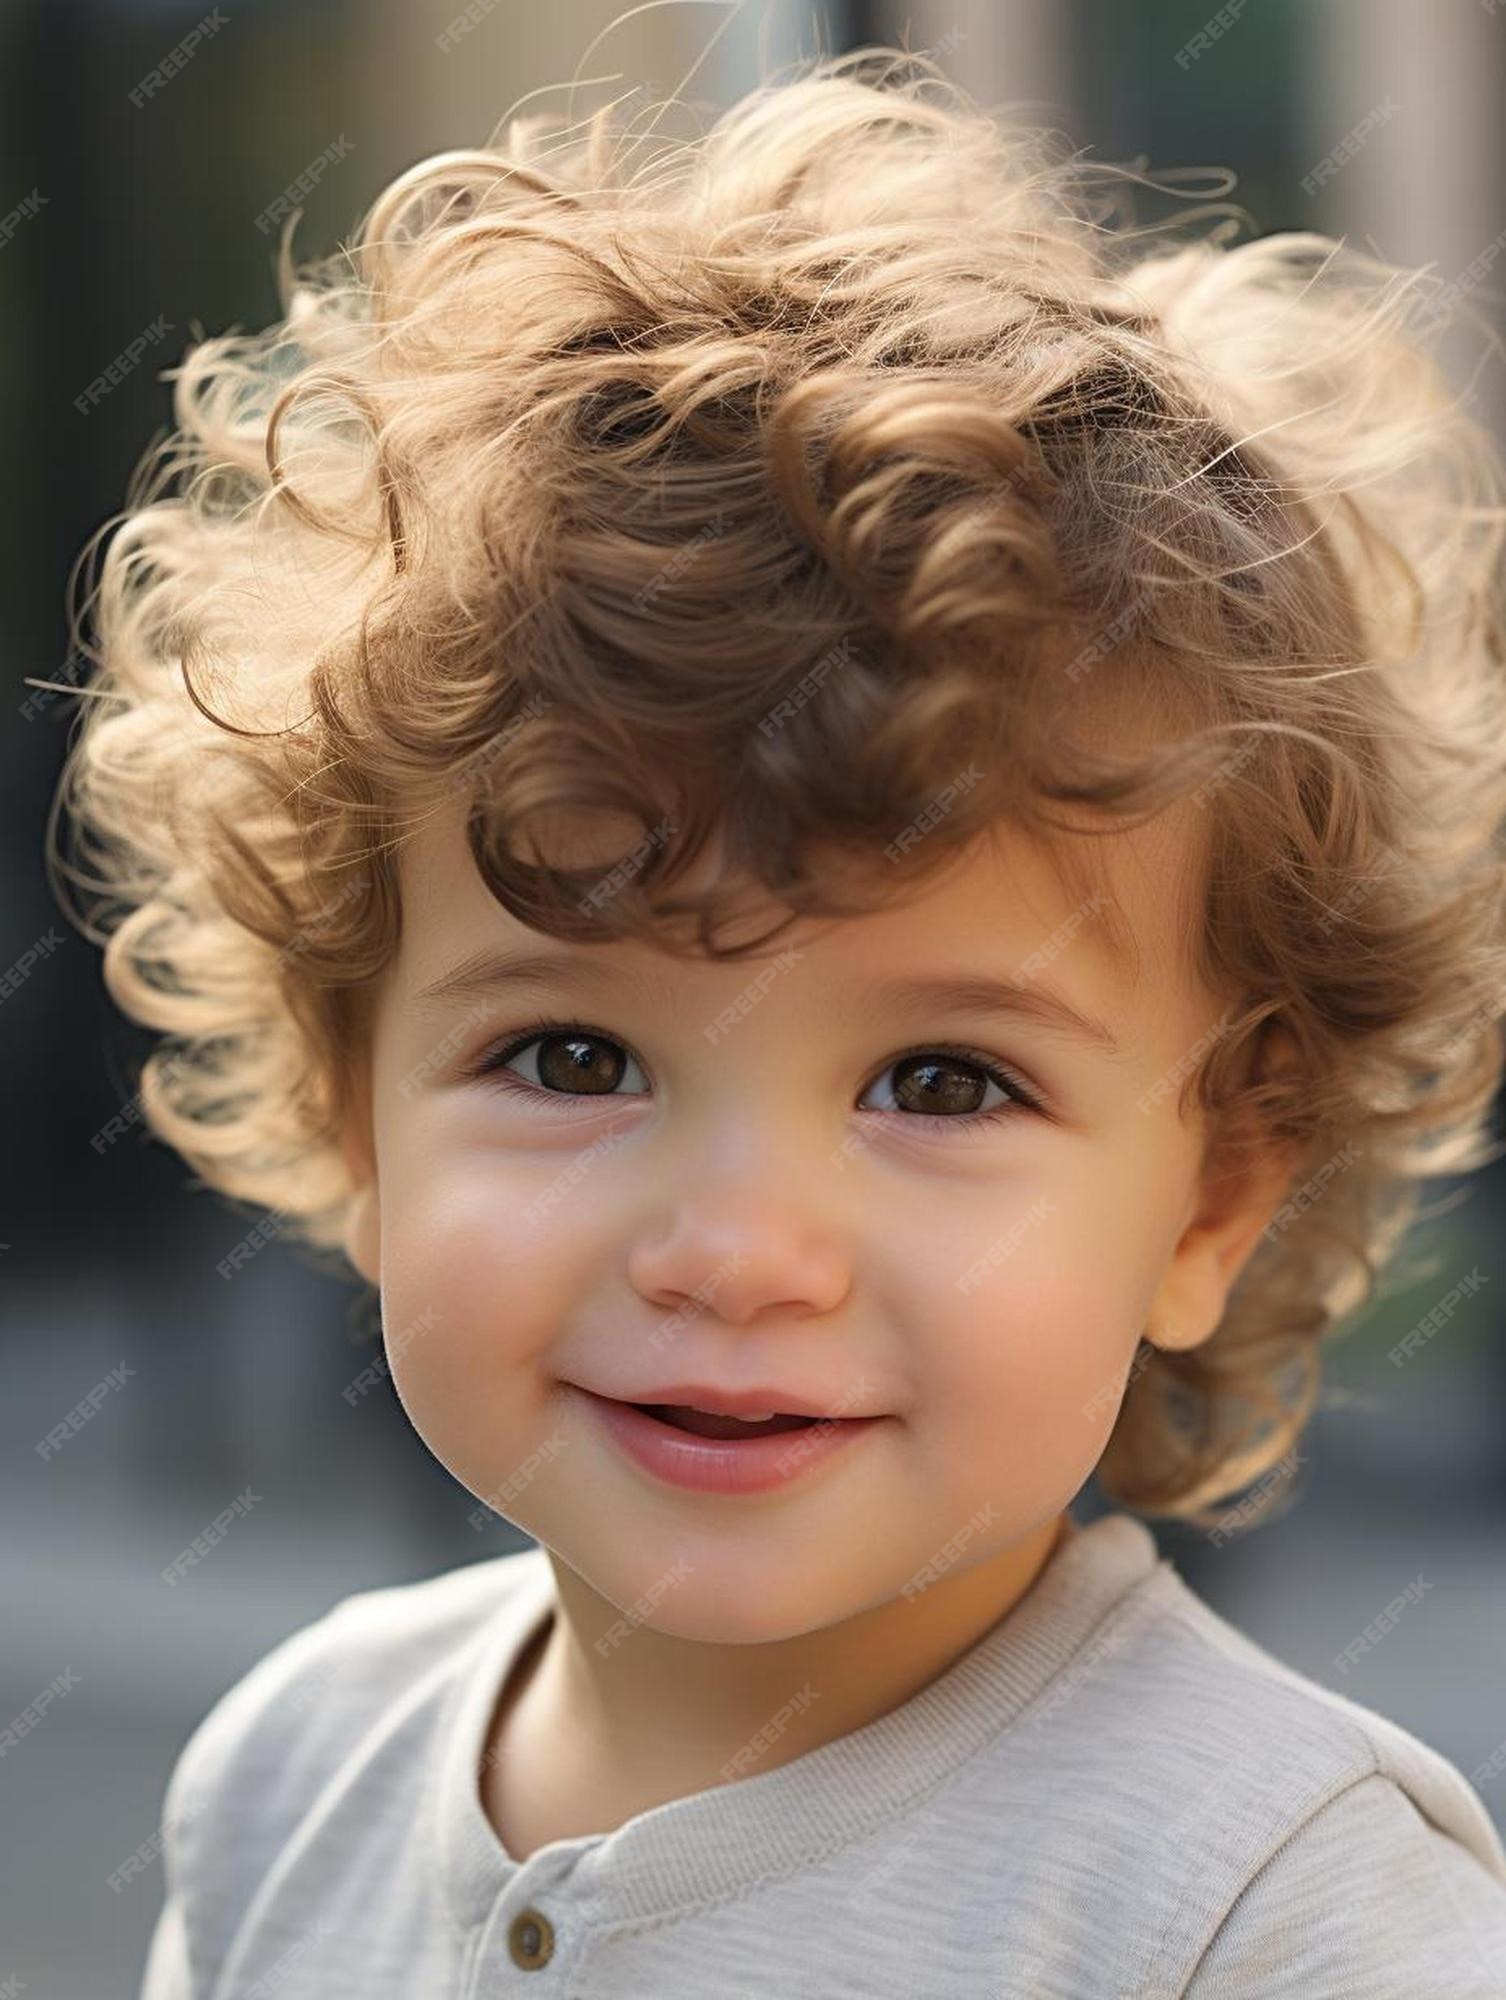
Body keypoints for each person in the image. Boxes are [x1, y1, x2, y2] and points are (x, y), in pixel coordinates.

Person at [52, 42, 1506, 1997]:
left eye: (941, 1079)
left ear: (1211, 1200)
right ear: (357, 1117)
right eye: (572, 1055)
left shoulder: (1277, 1908)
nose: (736, 1250)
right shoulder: (287, 1780)